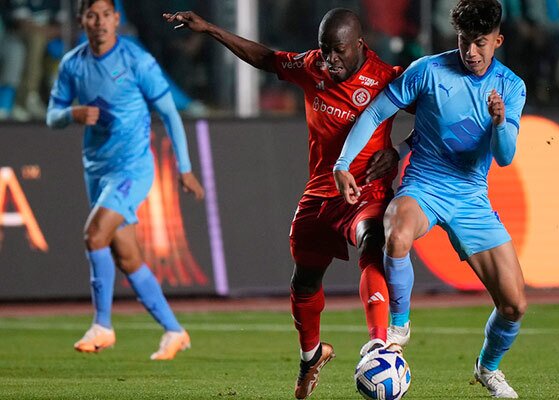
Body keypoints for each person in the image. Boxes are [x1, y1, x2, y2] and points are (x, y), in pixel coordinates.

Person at [163, 8, 401, 399]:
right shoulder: (313, 66)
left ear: (359, 45)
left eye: (338, 51)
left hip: (366, 191)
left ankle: (379, 345)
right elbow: (266, 58)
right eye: (325, 50)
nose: (330, 60)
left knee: (373, 241)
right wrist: (209, 29)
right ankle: (311, 356)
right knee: (304, 279)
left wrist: (399, 151)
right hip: (321, 191)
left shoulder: (386, 79)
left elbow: (433, 112)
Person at [333, 0, 526, 398]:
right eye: (463, 41)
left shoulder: (510, 86)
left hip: (471, 196)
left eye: (480, 43)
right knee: (396, 234)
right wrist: (344, 162)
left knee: (513, 306)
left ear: (498, 41)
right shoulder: (428, 70)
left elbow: (505, 158)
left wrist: (500, 122)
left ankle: (487, 369)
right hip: (425, 185)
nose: (471, 52)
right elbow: (373, 113)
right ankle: (399, 326)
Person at [46, 0, 204, 361]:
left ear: (116, 19)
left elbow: (170, 113)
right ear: (81, 20)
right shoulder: (73, 64)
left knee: (94, 234)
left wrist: (184, 167)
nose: (99, 21)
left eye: (105, 14)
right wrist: (71, 113)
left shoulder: (137, 61)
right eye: (91, 15)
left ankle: (102, 325)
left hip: (133, 167)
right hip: (96, 169)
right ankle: (174, 331)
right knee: (127, 255)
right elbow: (51, 116)